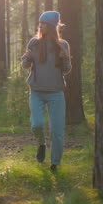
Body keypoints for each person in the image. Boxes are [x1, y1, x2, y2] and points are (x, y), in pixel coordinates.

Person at [21, 11, 72, 172]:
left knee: (57, 131)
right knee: (37, 124)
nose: (40, 26)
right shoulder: (34, 43)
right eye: (40, 23)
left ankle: (55, 163)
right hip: (36, 91)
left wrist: (66, 59)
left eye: (44, 24)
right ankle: (41, 144)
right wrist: (26, 58)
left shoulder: (63, 45)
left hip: (56, 93)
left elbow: (66, 71)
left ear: (51, 27)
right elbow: (25, 65)